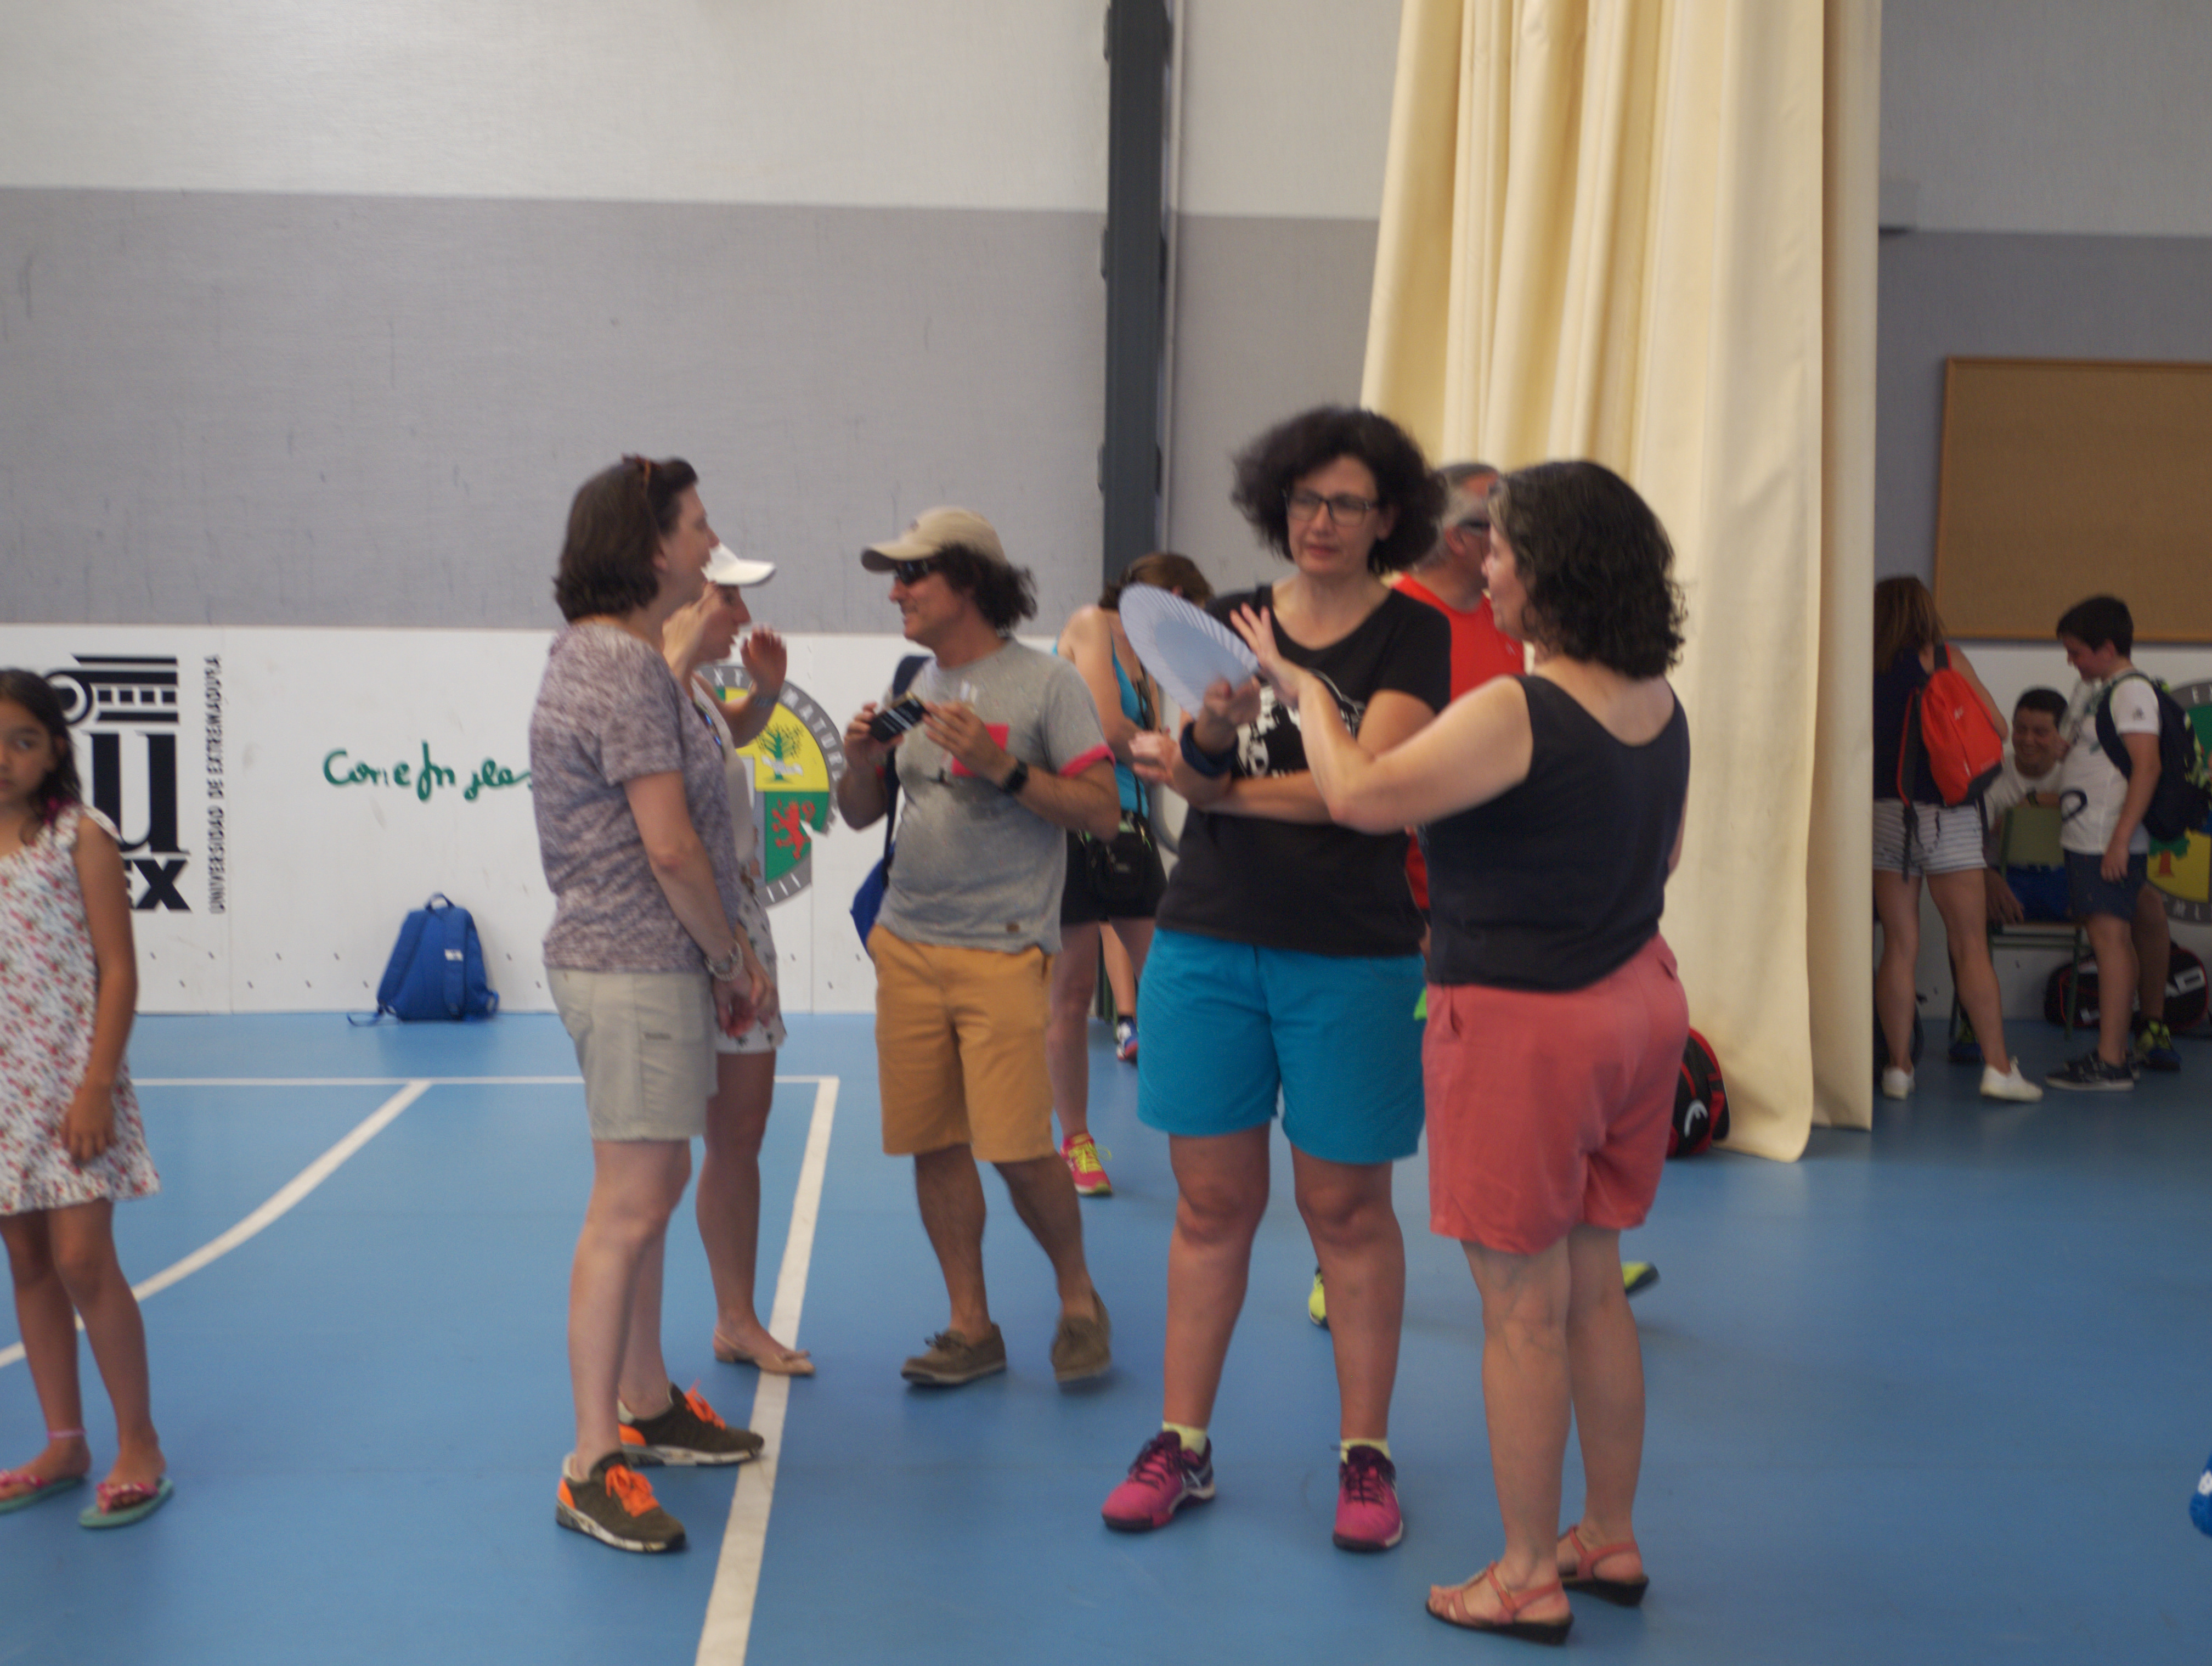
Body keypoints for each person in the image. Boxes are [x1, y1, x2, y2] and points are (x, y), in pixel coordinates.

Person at [1231, 459, 1684, 1640]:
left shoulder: (1520, 709)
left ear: (1554, 568)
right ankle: (1608, 1533)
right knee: (1594, 1283)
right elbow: (1665, 858)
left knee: (1522, 1309)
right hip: (1639, 1003)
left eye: (1505, 548)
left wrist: (1303, 687)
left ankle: (1526, 1573)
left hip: (1530, 1024)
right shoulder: (1657, 702)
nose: (1489, 568)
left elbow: (1359, 797)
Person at [1099, 406, 1448, 1553]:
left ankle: (1365, 1454)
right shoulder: (1233, 621)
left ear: (1387, 518)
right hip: (1208, 941)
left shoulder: (1413, 635)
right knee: (1211, 1206)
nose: (1321, 520)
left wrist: (1249, 761)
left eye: (1347, 503)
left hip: (1351, 954)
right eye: (1305, 499)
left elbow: (1367, 789)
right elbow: (1196, 777)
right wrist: (1212, 731)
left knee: (1346, 1211)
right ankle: (1182, 1443)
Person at [531, 457, 775, 1555]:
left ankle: (646, 1398)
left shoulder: (606, 656)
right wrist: (730, 957)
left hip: (636, 962)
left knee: (654, 1185)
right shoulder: (624, 668)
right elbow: (670, 846)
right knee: (629, 1204)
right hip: (633, 963)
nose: (711, 544)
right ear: (650, 547)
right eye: (698, 526)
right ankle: (592, 1460)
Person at [836, 507, 1119, 1388]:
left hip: (1003, 949)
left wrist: (1004, 769)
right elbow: (861, 814)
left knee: (1019, 1148)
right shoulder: (911, 681)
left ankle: (1078, 1296)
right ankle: (971, 1325)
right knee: (934, 1142)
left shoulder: (1047, 686)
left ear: (966, 581)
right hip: (908, 944)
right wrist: (858, 762)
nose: (896, 592)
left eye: (911, 575)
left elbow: (1103, 811)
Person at [0, 669, 170, 1529]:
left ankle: (139, 1442)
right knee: (27, 1260)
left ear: (55, 750)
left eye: (22, 741)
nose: (3, 758)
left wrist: (97, 1085)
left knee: (82, 1260)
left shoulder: (81, 838)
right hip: (3, 1092)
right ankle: (64, 1443)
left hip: (71, 1083)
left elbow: (119, 971)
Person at [661, 542, 813, 1375]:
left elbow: (731, 733)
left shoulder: (694, 695)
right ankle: (636, 1372)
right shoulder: (647, 687)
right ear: (686, 600)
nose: (744, 618)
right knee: (653, 1159)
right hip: (682, 936)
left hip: (739, 926)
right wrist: (727, 954)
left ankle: (736, 1319)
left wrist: (766, 696)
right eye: (729, 601)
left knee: (740, 1136)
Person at [1047, 551, 1213, 1197]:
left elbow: (1151, 742)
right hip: (1072, 825)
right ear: (1168, 596)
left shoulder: (1149, 659)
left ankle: (1193, 1130)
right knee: (1071, 992)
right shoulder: (1093, 624)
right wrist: (1176, 759)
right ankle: (1077, 1141)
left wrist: (1174, 758)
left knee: (1170, 981)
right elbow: (1107, 727)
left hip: (1130, 828)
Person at [1872, 576, 2042, 1102]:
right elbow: (1998, 728)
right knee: (1969, 945)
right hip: (1949, 813)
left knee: (1898, 945)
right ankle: (1998, 1068)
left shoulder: (1863, 664)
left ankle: (1898, 1069)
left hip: (1885, 812)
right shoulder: (1947, 659)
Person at [1974, 683, 2180, 1073]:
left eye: (2041, 732)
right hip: (2008, 882)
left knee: (2149, 905)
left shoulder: (2081, 772)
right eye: (2021, 729)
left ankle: (2152, 1027)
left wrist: (2036, 802)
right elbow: (1967, 842)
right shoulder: (1991, 774)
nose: (2028, 740)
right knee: (1964, 903)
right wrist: (1988, 879)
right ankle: (1971, 1024)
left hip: (2068, 880)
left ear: (2060, 736)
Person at [2044, 595, 2168, 1090]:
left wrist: (2119, 841)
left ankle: (2111, 1059)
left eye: (2076, 652)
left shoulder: (2131, 692)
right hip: (2091, 835)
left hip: (2104, 839)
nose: (2070, 661)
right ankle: (2115, 1051)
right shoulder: (2101, 691)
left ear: (2108, 648)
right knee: (2113, 938)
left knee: (2109, 939)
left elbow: (2148, 766)